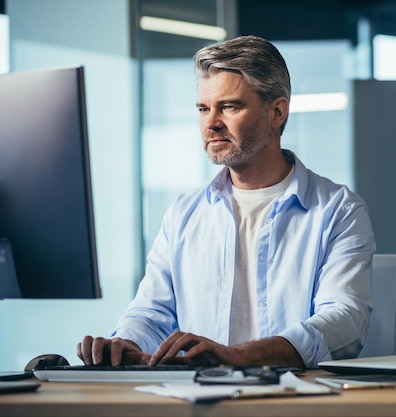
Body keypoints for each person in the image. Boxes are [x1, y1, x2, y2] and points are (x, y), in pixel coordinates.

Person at [77, 35, 376, 370]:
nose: (211, 123)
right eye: (204, 108)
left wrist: (240, 356)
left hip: (294, 399)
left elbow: (344, 321)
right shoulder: (184, 213)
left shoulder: (338, 210)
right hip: (199, 399)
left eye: (229, 106)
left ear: (276, 112)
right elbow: (152, 313)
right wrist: (124, 344)